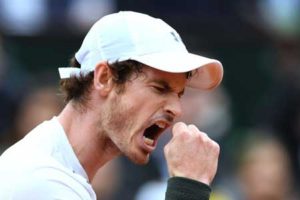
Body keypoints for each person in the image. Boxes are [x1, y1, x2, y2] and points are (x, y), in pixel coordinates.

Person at [0, 11, 223, 200]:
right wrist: (188, 186)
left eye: (179, 94)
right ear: (104, 78)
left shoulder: (55, 168)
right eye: (159, 88)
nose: (177, 109)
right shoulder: (43, 180)